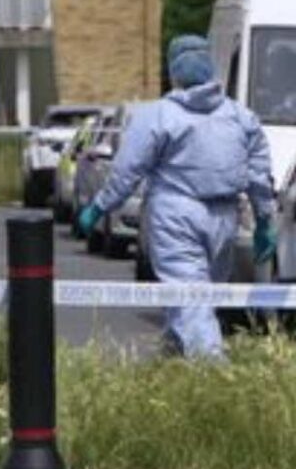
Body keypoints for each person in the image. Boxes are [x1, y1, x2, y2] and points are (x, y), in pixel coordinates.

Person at [76, 35, 276, 358]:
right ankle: (175, 369)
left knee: (191, 305)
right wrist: (265, 220)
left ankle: (213, 380)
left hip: (175, 215)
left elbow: (127, 170)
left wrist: (99, 207)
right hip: (225, 217)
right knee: (196, 302)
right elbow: (259, 176)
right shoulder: (240, 117)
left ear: (173, 71)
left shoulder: (157, 116)